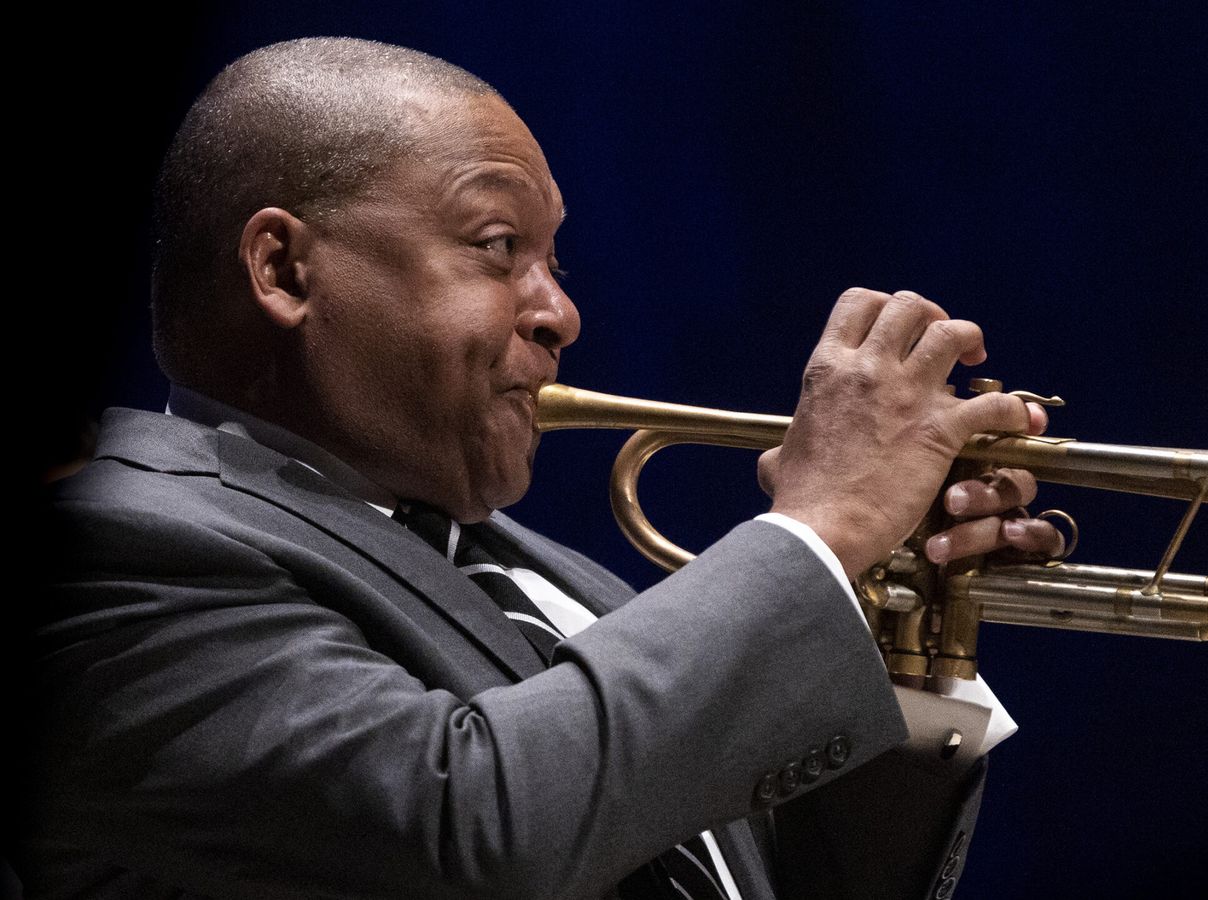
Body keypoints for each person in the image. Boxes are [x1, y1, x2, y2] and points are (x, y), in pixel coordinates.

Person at [20, 38, 1062, 900]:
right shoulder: (110, 547)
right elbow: (471, 834)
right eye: (494, 245)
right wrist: (819, 531)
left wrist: (891, 643)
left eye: (554, 262)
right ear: (284, 269)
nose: (558, 312)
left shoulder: (559, 586)